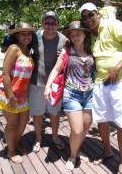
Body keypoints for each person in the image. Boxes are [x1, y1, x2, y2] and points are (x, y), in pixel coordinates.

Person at [79, 2, 122, 173]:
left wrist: (117, 68)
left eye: (90, 14)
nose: (88, 19)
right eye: (84, 18)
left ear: (97, 13)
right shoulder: (91, 35)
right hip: (101, 82)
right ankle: (107, 150)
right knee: (102, 119)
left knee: (121, 121)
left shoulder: (114, 25)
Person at [44, 21, 94, 171]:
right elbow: (55, 70)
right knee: (77, 130)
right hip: (71, 94)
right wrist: (47, 87)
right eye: (72, 34)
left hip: (90, 94)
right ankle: (72, 155)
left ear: (85, 34)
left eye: (78, 33)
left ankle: (76, 148)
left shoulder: (92, 51)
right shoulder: (67, 51)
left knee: (85, 128)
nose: (75, 36)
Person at [0, 22, 36, 163]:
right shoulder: (13, 49)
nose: (27, 36)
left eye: (29, 34)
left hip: (22, 94)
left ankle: (15, 144)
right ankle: (11, 151)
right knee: (12, 124)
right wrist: (10, 95)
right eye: (23, 33)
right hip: (9, 92)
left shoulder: (27, 50)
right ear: (16, 35)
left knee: (24, 122)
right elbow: (5, 74)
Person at [29, 11, 67, 153]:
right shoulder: (35, 37)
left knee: (54, 112)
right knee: (37, 113)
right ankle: (38, 138)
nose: (50, 26)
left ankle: (55, 137)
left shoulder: (64, 40)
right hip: (36, 82)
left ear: (58, 24)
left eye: (53, 23)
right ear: (42, 24)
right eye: (47, 22)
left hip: (55, 84)